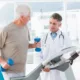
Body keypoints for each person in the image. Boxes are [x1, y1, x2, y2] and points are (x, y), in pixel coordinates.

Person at [0, 4, 38, 80]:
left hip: (22, 71)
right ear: (21, 17)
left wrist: (34, 45)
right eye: (28, 16)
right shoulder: (6, 30)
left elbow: (24, 45)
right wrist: (3, 62)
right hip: (8, 72)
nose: (30, 19)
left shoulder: (26, 28)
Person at [40, 13, 72, 80]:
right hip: (47, 71)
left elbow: (68, 53)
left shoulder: (65, 37)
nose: (51, 25)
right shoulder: (44, 36)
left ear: (60, 25)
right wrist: (42, 66)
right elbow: (40, 53)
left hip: (60, 71)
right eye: (50, 23)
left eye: (54, 24)